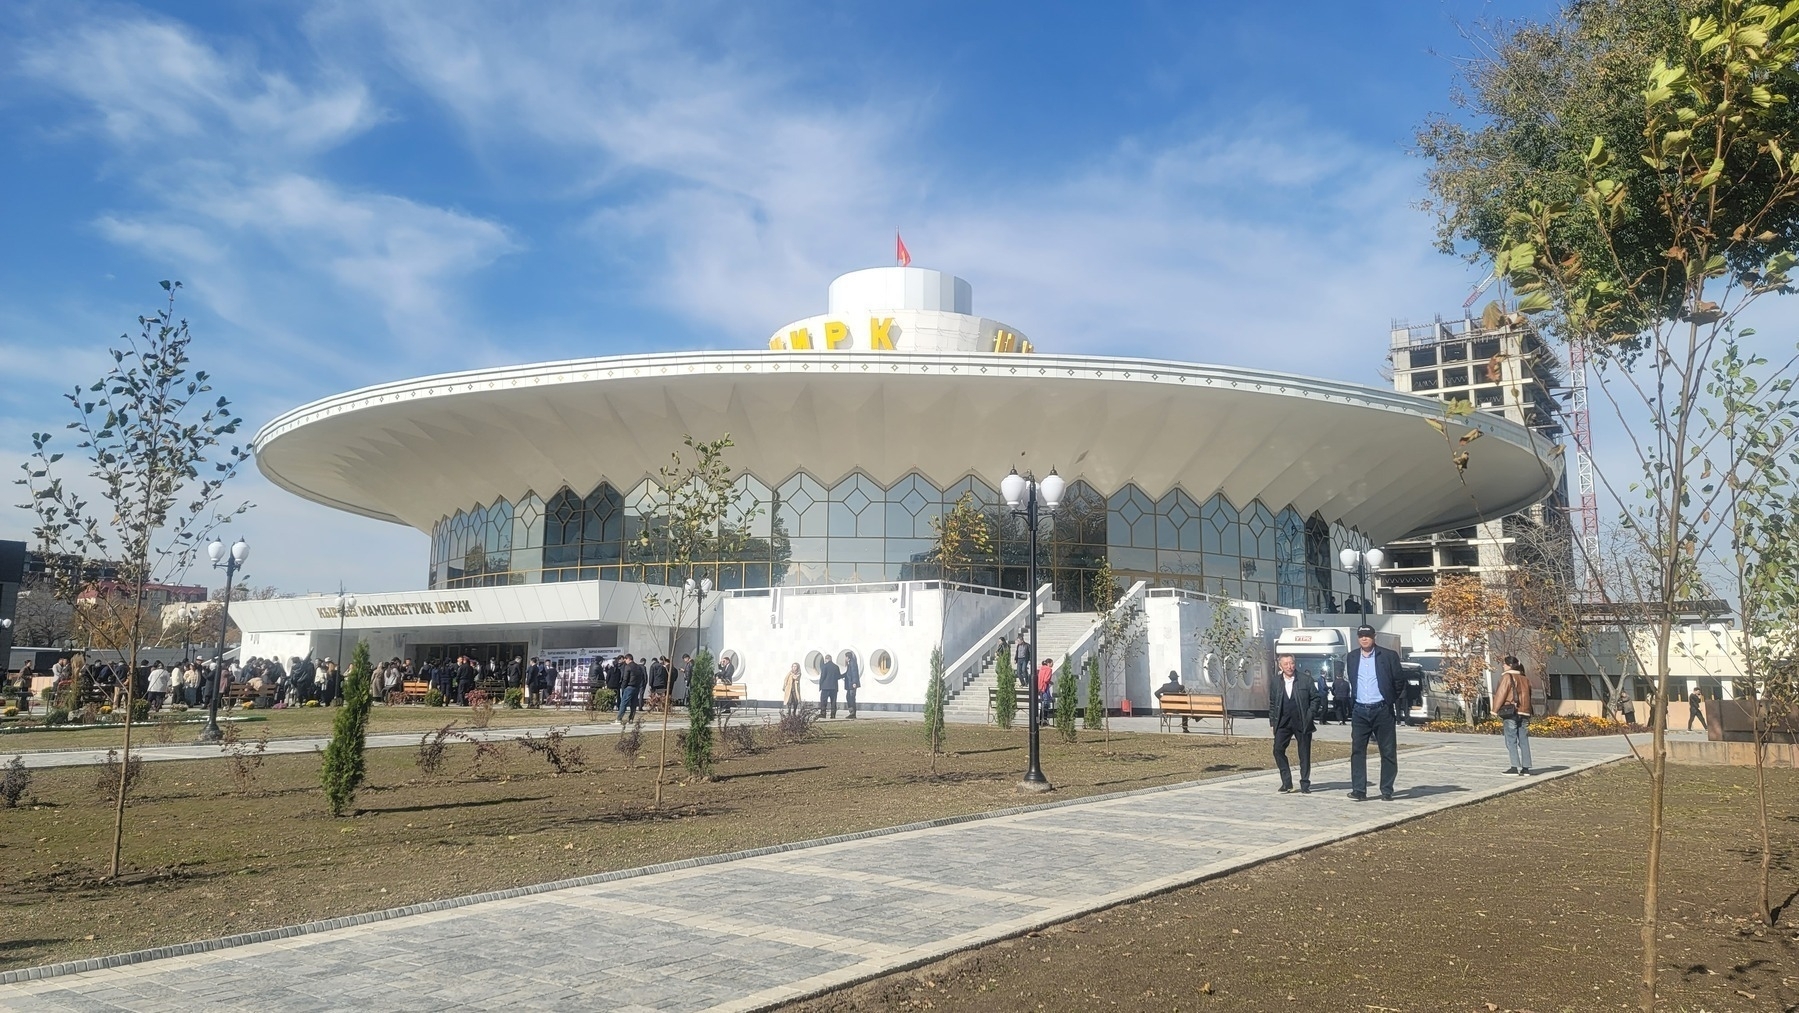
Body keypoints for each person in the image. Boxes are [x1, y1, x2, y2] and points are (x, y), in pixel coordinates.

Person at [1345, 625, 1400, 801]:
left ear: (1374, 637)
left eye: (1367, 635)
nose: (1364, 639)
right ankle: (1359, 790)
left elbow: (1399, 681)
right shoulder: (1352, 657)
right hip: (1360, 710)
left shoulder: (1388, 656)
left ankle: (1386, 789)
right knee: (1357, 751)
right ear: (1357, 638)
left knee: (1388, 751)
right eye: (1361, 636)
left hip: (1381, 709)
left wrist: (1389, 700)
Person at [1269, 653, 1321, 793]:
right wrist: (1272, 722)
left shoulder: (1305, 680)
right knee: (1278, 750)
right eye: (1286, 664)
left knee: (1304, 753)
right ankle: (1286, 782)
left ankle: (1305, 783)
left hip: (1302, 721)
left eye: (1291, 663)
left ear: (1295, 663)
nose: (1289, 667)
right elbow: (1273, 703)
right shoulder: (1275, 681)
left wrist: (1310, 714)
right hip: (1283, 721)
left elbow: (1316, 698)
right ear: (1280, 666)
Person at [1494, 655, 1534, 776]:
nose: (1503, 666)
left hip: (1511, 711)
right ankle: (1526, 768)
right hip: (1525, 712)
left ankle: (1514, 767)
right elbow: (1529, 694)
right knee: (1524, 740)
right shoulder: (1525, 678)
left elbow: (1501, 694)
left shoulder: (1507, 676)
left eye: (1505, 664)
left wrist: (1494, 710)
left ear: (1510, 665)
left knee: (1511, 740)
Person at [818, 652, 841, 719]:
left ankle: (823, 713)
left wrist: (820, 686)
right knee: (833, 702)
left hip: (825, 687)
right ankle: (833, 714)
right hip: (834, 687)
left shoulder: (824, 666)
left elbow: (822, 677)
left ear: (826, 659)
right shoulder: (836, 667)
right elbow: (838, 677)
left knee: (823, 701)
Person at [841, 652, 861, 719]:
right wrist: (840, 676)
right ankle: (852, 712)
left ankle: (852, 713)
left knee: (851, 698)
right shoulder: (850, 663)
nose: (845, 659)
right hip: (850, 684)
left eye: (845, 657)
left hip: (851, 684)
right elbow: (847, 673)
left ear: (847, 657)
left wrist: (854, 682)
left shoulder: (852, 663)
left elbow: (854, 673)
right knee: (849, 697)